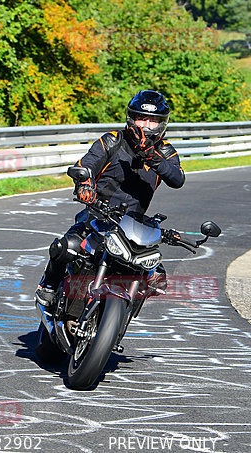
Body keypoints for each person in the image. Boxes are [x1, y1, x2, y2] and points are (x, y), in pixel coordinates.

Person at [35, 90, 185, 307]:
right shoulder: (113, 140)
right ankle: (48, 285)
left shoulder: (165, 150)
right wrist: (85, 184)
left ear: (162, 124)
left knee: (156, 277)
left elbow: (177, 178)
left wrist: (151, 156)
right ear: (131, 118)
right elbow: (85, 164)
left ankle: (118, 324)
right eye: (142, 119)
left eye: (153, 121)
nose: (146, 126)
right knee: (67, 246)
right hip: (97, 213)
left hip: (133, 225)